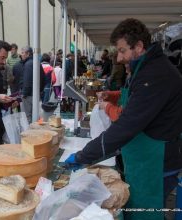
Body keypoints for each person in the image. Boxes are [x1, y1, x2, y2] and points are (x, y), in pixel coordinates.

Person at [65, 18, 182, 220]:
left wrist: (84, 156)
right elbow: (135, 98)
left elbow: (126, 125)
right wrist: (113, 95)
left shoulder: (155, 74)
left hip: (155, 163)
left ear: (138, 46)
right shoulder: (144, 67)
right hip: (143, 159)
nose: (118, 58)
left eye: (122, 50)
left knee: (146, 214)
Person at [21, 46, 45, 123]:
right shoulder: (37, 62)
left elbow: (27, 80)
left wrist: (24, 93)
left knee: (28, 116)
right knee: (36, 116)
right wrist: (40, 90)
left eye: (22, 52)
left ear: (28, 54)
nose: (21, 54)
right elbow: (44, 78)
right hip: (36, 93)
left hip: (28, 95)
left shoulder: (28, 64)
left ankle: (30, 133)